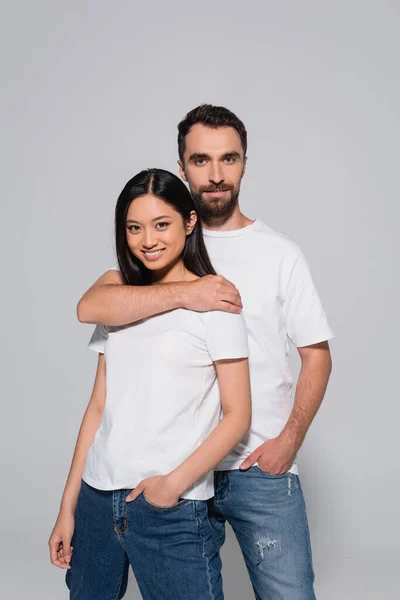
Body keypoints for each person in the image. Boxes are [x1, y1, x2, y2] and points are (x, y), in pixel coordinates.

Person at [76, 104, 334, 599]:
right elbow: (95, 305)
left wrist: (289, 441)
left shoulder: (280, 254)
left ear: (244, 163)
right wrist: (186, 293)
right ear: (182, 167)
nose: (216, 175)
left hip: (254, 465)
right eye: (200, 160)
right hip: (172, 467)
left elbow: (316, 355)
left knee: (290, 594)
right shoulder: (160, 243)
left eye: (228, 159)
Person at [48, 168, 252, 600]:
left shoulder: (217, 303)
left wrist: (172, 486)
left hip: (171, 509)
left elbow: (237, 416)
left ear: (190, 222)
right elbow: (97, 409)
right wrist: (68, 507)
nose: (148, 240)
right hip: (98, 500)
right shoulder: (120, 298)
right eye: (134, 228)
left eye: (162, 224)